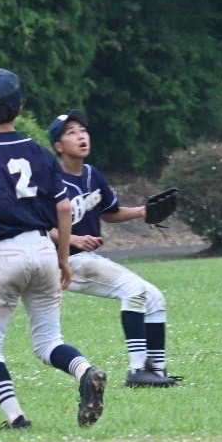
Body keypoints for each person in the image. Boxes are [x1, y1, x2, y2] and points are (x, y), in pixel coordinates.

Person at [0, 68, 108, 430]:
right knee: (49, 341)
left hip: (3, 253)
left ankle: (16, 418)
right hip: (42, 250)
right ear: (20, 108)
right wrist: (64, 258)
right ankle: (85, 371)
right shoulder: (39, 152)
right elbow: (64, 208)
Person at [47, 109, 180, 387]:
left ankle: (156, 369)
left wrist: (142, 211)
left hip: (87, 258)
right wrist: (72, 239)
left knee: (155, 297)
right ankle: (136, 371)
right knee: (134, 291)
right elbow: (39, 226)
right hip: (64, 262)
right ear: (59, 146)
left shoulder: (92, 174)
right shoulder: (51, 181)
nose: (80, 136)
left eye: (82, 130)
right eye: (70, 132)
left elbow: (109, 211)